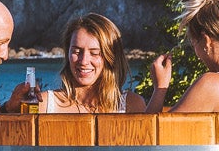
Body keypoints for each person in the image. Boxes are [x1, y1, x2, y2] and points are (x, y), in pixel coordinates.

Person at [38, 12, 172, 113]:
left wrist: (160, 89)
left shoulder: (130, 104)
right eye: (77, 51)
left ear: (111, 57)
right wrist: (15, 105)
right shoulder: (45, 104)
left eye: (95, 53)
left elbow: (148, 143)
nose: (84, 61)